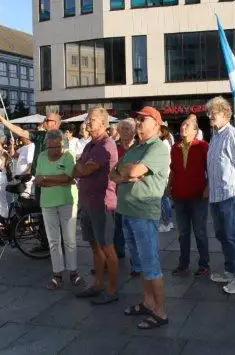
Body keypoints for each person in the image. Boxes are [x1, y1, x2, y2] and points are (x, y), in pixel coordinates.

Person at [111, 106, 170, 330]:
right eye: (138, 118)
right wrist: (127, 172)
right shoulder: (136, 147)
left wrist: (128, 172)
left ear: (156, 124)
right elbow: (112, 175)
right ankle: (147, 302)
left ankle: (160, 312)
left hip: (144, 213)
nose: (138, 122)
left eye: (143, 119)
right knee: (141, 264)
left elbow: (133, 172)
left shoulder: (157, 148)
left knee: (151, 264)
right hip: (127, 212)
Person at [205, 96, 235, 295]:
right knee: (222, 234)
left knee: (233, 235)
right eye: (208, 114)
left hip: (229, 192)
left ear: (226, 113)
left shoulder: (232, 135)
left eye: (213, 113)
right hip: (216, 195)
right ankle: (230, 270)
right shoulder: (215, 136)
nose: (210, 117)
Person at [74, 108, 120, 304]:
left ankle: (112, 289)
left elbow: (82, 170)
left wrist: (79, 166)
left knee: (107, 247)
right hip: (87, 202)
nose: (87, 122)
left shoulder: (105, 146)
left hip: (101, 204)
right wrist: (80, 166)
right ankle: (98, 284)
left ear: (104, 123)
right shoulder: (90, 145)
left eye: (92, 120)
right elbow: (77, 169)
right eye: (87, 119)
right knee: (95, 246)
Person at [35, 129, 83, 290]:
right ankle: (57, 274)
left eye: (57, 147)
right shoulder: (42, 156)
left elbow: (69, 177)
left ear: (62, 145)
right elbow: (39, 180)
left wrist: (48, 179)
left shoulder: (68, 155)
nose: (54, 151)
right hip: (47, 202)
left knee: (69, 239)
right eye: (51, 147)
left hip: (67, 202)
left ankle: (73, 272)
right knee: (53, 241)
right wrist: (59, 180)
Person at [169, 118, 210, 277]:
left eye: (187, 125)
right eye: (182, 125)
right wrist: (169, 186)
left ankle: (204, 264)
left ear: (195, 131)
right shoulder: (175, 147)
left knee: (200, 231)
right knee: (183, 233)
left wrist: (208, 187)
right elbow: (172, 169)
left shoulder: (202, 146)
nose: (182, 127)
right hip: (179, 196)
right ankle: (183, 264)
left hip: (198, 196)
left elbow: (211, 169)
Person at [115, 118, 137, 262]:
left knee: (134, 228)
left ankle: (136, 258)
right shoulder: (115, 147)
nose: (124, 131)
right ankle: (119, 251)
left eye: (127, 129)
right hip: (117, 192)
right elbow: (112, 170)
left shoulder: (138, 147)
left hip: (135, 193)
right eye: (122, 129)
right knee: (118, 226)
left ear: (134, 131)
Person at [8, 133, 35, 198]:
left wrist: (25, 175)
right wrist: (12, 144)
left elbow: (31, 164)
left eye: (22, 136)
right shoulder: (24, 147)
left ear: (27, 138)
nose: (20, 138)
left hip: (26, 179)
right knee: (20, 198)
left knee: (25, 199)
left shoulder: (31, 147)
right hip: (21, 178)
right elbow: (13, 155)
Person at [158, 123, 174, 232]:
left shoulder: (163, 143)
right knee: (165, 199)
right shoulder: (165, 142)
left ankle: (167, 222)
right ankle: (169, 221)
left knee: (164, 200)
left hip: (164, 175)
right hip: (165, 174)